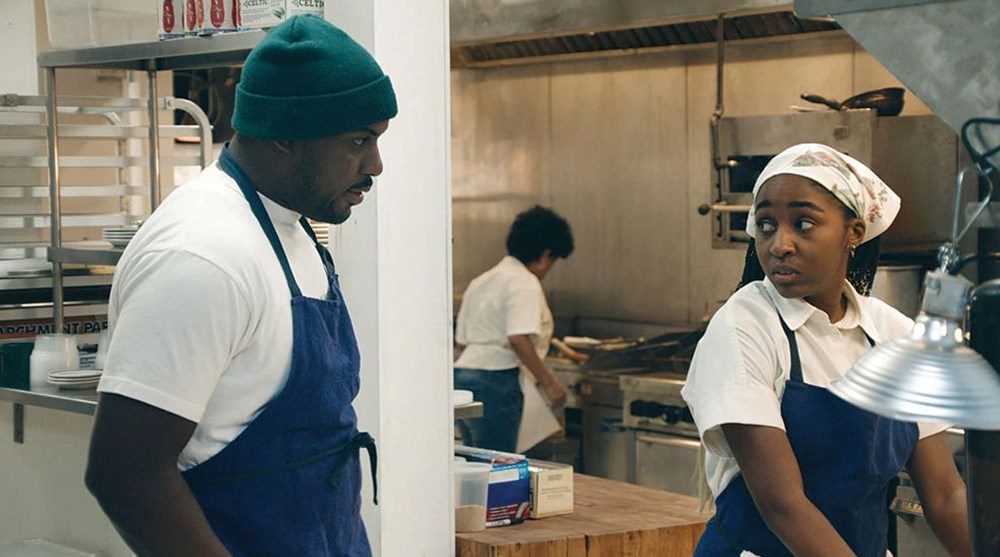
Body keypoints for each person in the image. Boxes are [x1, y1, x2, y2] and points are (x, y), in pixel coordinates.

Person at [84, 15, 397, 557]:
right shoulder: (202, 257)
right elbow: (126, 474)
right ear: (284, 137)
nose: (375, 164)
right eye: (357, 141)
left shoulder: (289, 224)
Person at [681, 144, 971, 557]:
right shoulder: (744, 326)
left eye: (803, 223)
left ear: (854, 232)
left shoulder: (895, 334)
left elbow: (944, 495)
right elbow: (783, 505)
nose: (780, 244)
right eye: (766, 225)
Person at [454, 206, 580, 453]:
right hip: (495, 381)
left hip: (462, 376)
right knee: (498, 463)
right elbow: (518, 337)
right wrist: (550, 383)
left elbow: (461, 342)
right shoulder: (524, 282)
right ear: (545, 255)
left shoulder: (482, 280)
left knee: (475, 460)